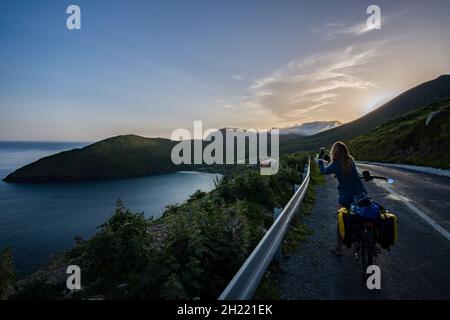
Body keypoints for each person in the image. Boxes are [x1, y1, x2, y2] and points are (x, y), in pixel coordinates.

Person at [318, 141, 367, 256]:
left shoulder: (335, 165)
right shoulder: (351, 161)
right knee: (362, 214)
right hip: (360, 193)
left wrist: (320, 161)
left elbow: (323, 171)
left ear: (334, 152)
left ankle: (339, 248)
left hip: (346, 196)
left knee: (341, 220)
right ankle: (365, 237)